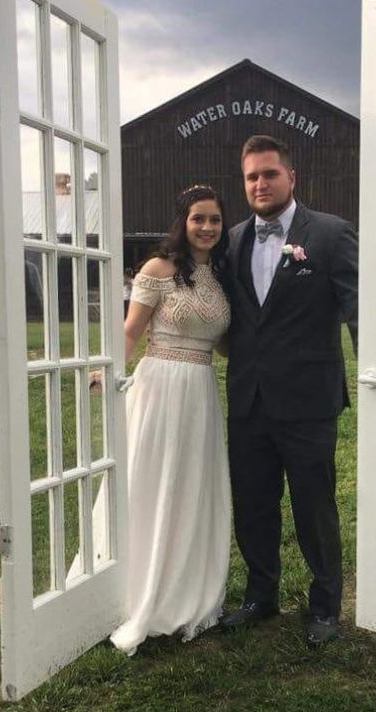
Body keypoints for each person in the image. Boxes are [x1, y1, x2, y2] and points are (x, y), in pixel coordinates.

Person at [220, 134, 358, 647]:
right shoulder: (231, 240)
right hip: (249, 400)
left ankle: (325, 606)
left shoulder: (329, 234)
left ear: (291, 177)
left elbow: (359, 308)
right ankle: (261, 597)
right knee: (253, 504)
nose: (260, 183)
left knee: (313, 507)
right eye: (252, 176)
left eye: (270, 173)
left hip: (308, 401)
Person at [104, 185, 232, 655]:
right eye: (199, 218)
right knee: (152, 480)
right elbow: (131, 331)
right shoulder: (159, 269)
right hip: (159, 386)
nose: (207, 227)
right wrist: (109, 370)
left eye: (215, 219)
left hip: (200, 389)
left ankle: (184, 585)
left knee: (191, 485)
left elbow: (223, 343)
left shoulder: (221, 276)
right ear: (183, 222)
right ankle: (134, 588)